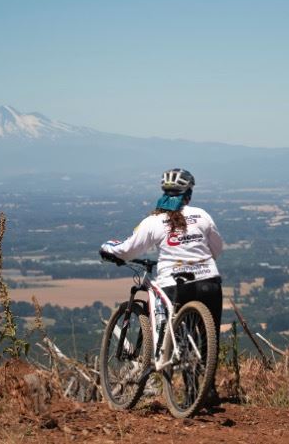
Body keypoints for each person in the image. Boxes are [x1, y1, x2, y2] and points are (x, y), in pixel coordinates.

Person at [99, 168, 224, 403]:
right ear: (189, 194)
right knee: (209, 336)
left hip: (175, 284)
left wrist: (108, 248)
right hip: (210, 281)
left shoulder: (154, 221)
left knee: (179, 335)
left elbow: (126, 249)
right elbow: (217, 248)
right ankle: (209, 390)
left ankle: (190, 395)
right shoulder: (202, 215)